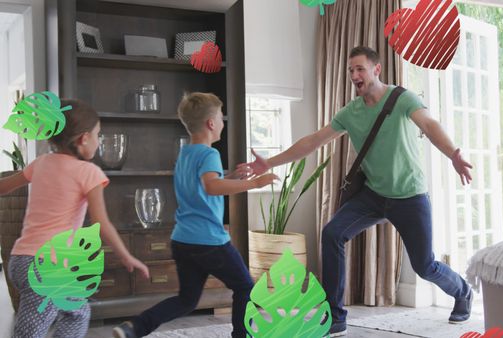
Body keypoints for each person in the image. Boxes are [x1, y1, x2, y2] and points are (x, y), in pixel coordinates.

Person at [243, 46, 474, 337]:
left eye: (360, 69)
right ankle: (335, 317)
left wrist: (453, 153)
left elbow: (429, 124)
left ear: (376, 70)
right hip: (373, 196)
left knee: (424, 266)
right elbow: (312, 142)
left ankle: (462, 292)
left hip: (409, 195)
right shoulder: (350, 113)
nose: (354, 75)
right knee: (332, 233)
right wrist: (270, 162)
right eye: (351, 70)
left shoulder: (402, 99)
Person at [113, 92, 278, 338]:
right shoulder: (210, 154)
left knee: (187, 300)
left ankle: (135, 327)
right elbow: (211, 187)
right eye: (221, 118)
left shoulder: (185, 155)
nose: (223, 122)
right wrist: (256, 184)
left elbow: (203, 186)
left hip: (183, 240)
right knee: (244, 286)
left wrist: (231, 178)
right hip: (209, 241)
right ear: (211, 123)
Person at [0, 99, 150, 338]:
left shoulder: (41, 163)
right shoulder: (89, 172)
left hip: (20, 260)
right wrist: (126, 256)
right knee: (33, 330)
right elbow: (101, 223)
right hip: (48, 267)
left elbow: (3, 187)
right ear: (83, 139)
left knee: (76, 312)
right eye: (98, 135)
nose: (99, 142)